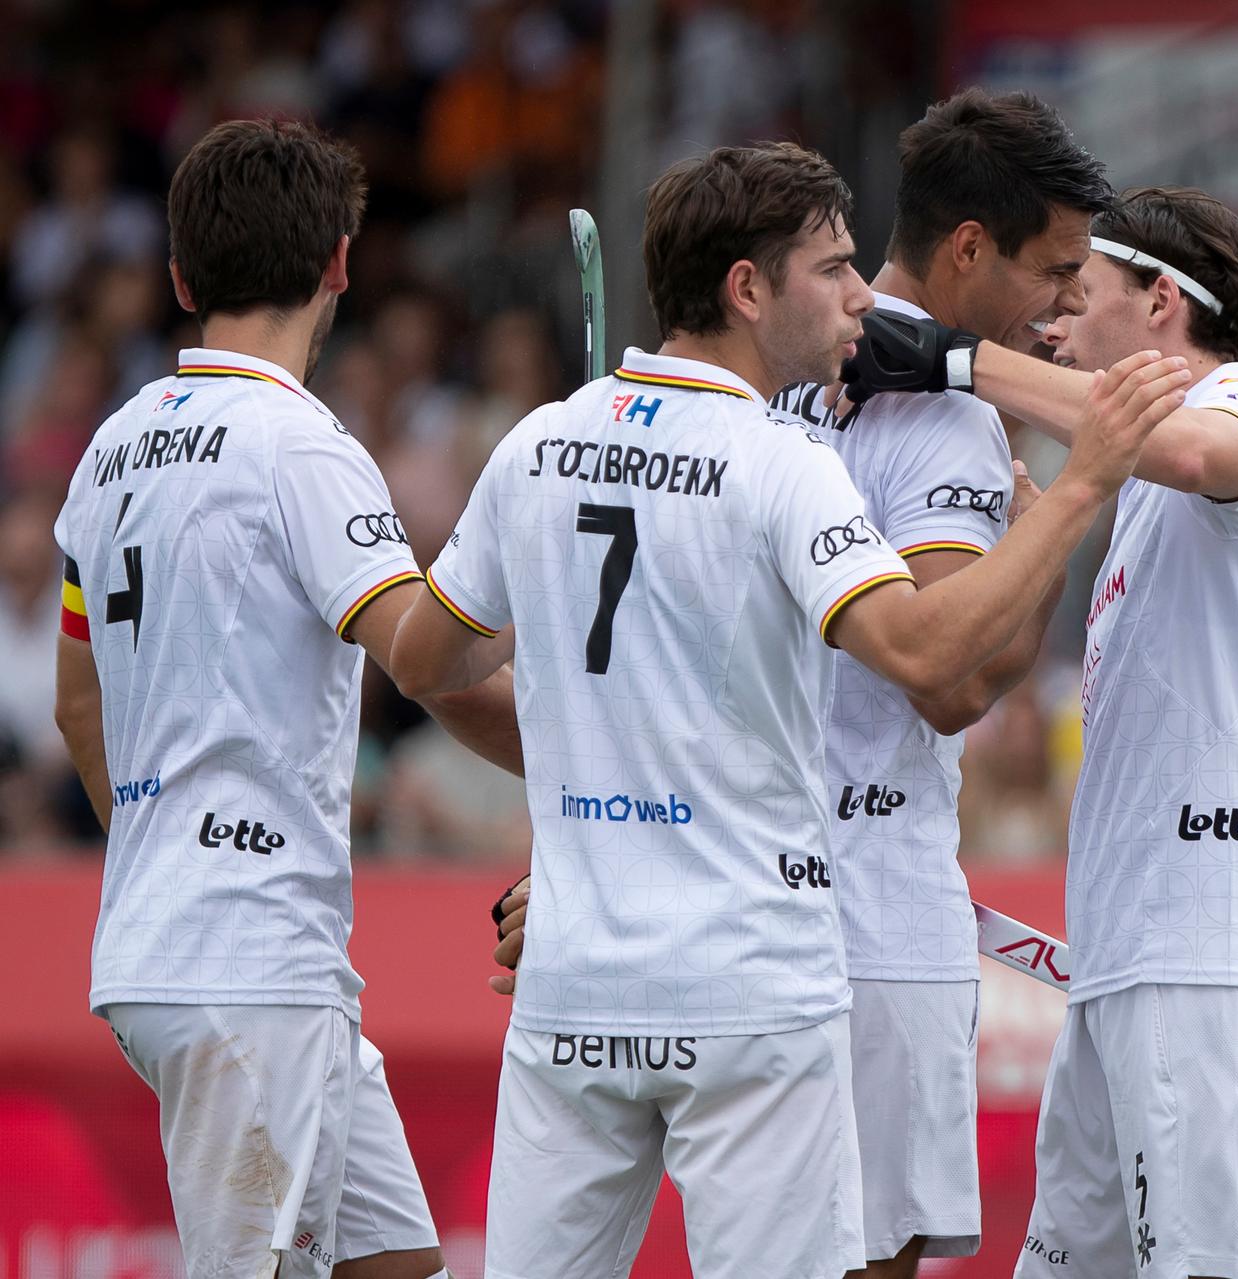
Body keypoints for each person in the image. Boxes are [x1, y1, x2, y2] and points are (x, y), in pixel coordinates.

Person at [386, 141, 1188, 1279]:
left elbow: (427, 664)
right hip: (754, 984)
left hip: (576, 984)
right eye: (835, 268)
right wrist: (1078, 493)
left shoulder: (537, 445)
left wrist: (584, 757)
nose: (866, 297)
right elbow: (926, 652)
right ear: (748, 290)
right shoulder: (780, 460)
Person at [51, 119, 520, 1279]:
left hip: (188, 941)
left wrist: (165, 850)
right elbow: (418, 651)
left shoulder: (107, 452)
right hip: (247, 959)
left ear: (178, 277)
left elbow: (76, 705)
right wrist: (521, 562)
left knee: (397, 1263)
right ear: (340, 266)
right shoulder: (299, 445)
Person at [764, 88, 1111, 1277]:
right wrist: (1053, 526)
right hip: (872, 911)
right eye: (1056, 267)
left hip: (752, 890)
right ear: (970, 249)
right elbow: (952, 681)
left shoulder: (782, 370)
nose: (1069, 299)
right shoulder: (954, 421)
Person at [1012, 185, 1238, 1279]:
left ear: (1163, 301)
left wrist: (952, 362)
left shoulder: (1233, 411)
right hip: (1144, 966)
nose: (1054, 327)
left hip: (1202, 972)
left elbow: (1210, 458)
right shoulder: (1149, 491)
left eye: (1081, 296)